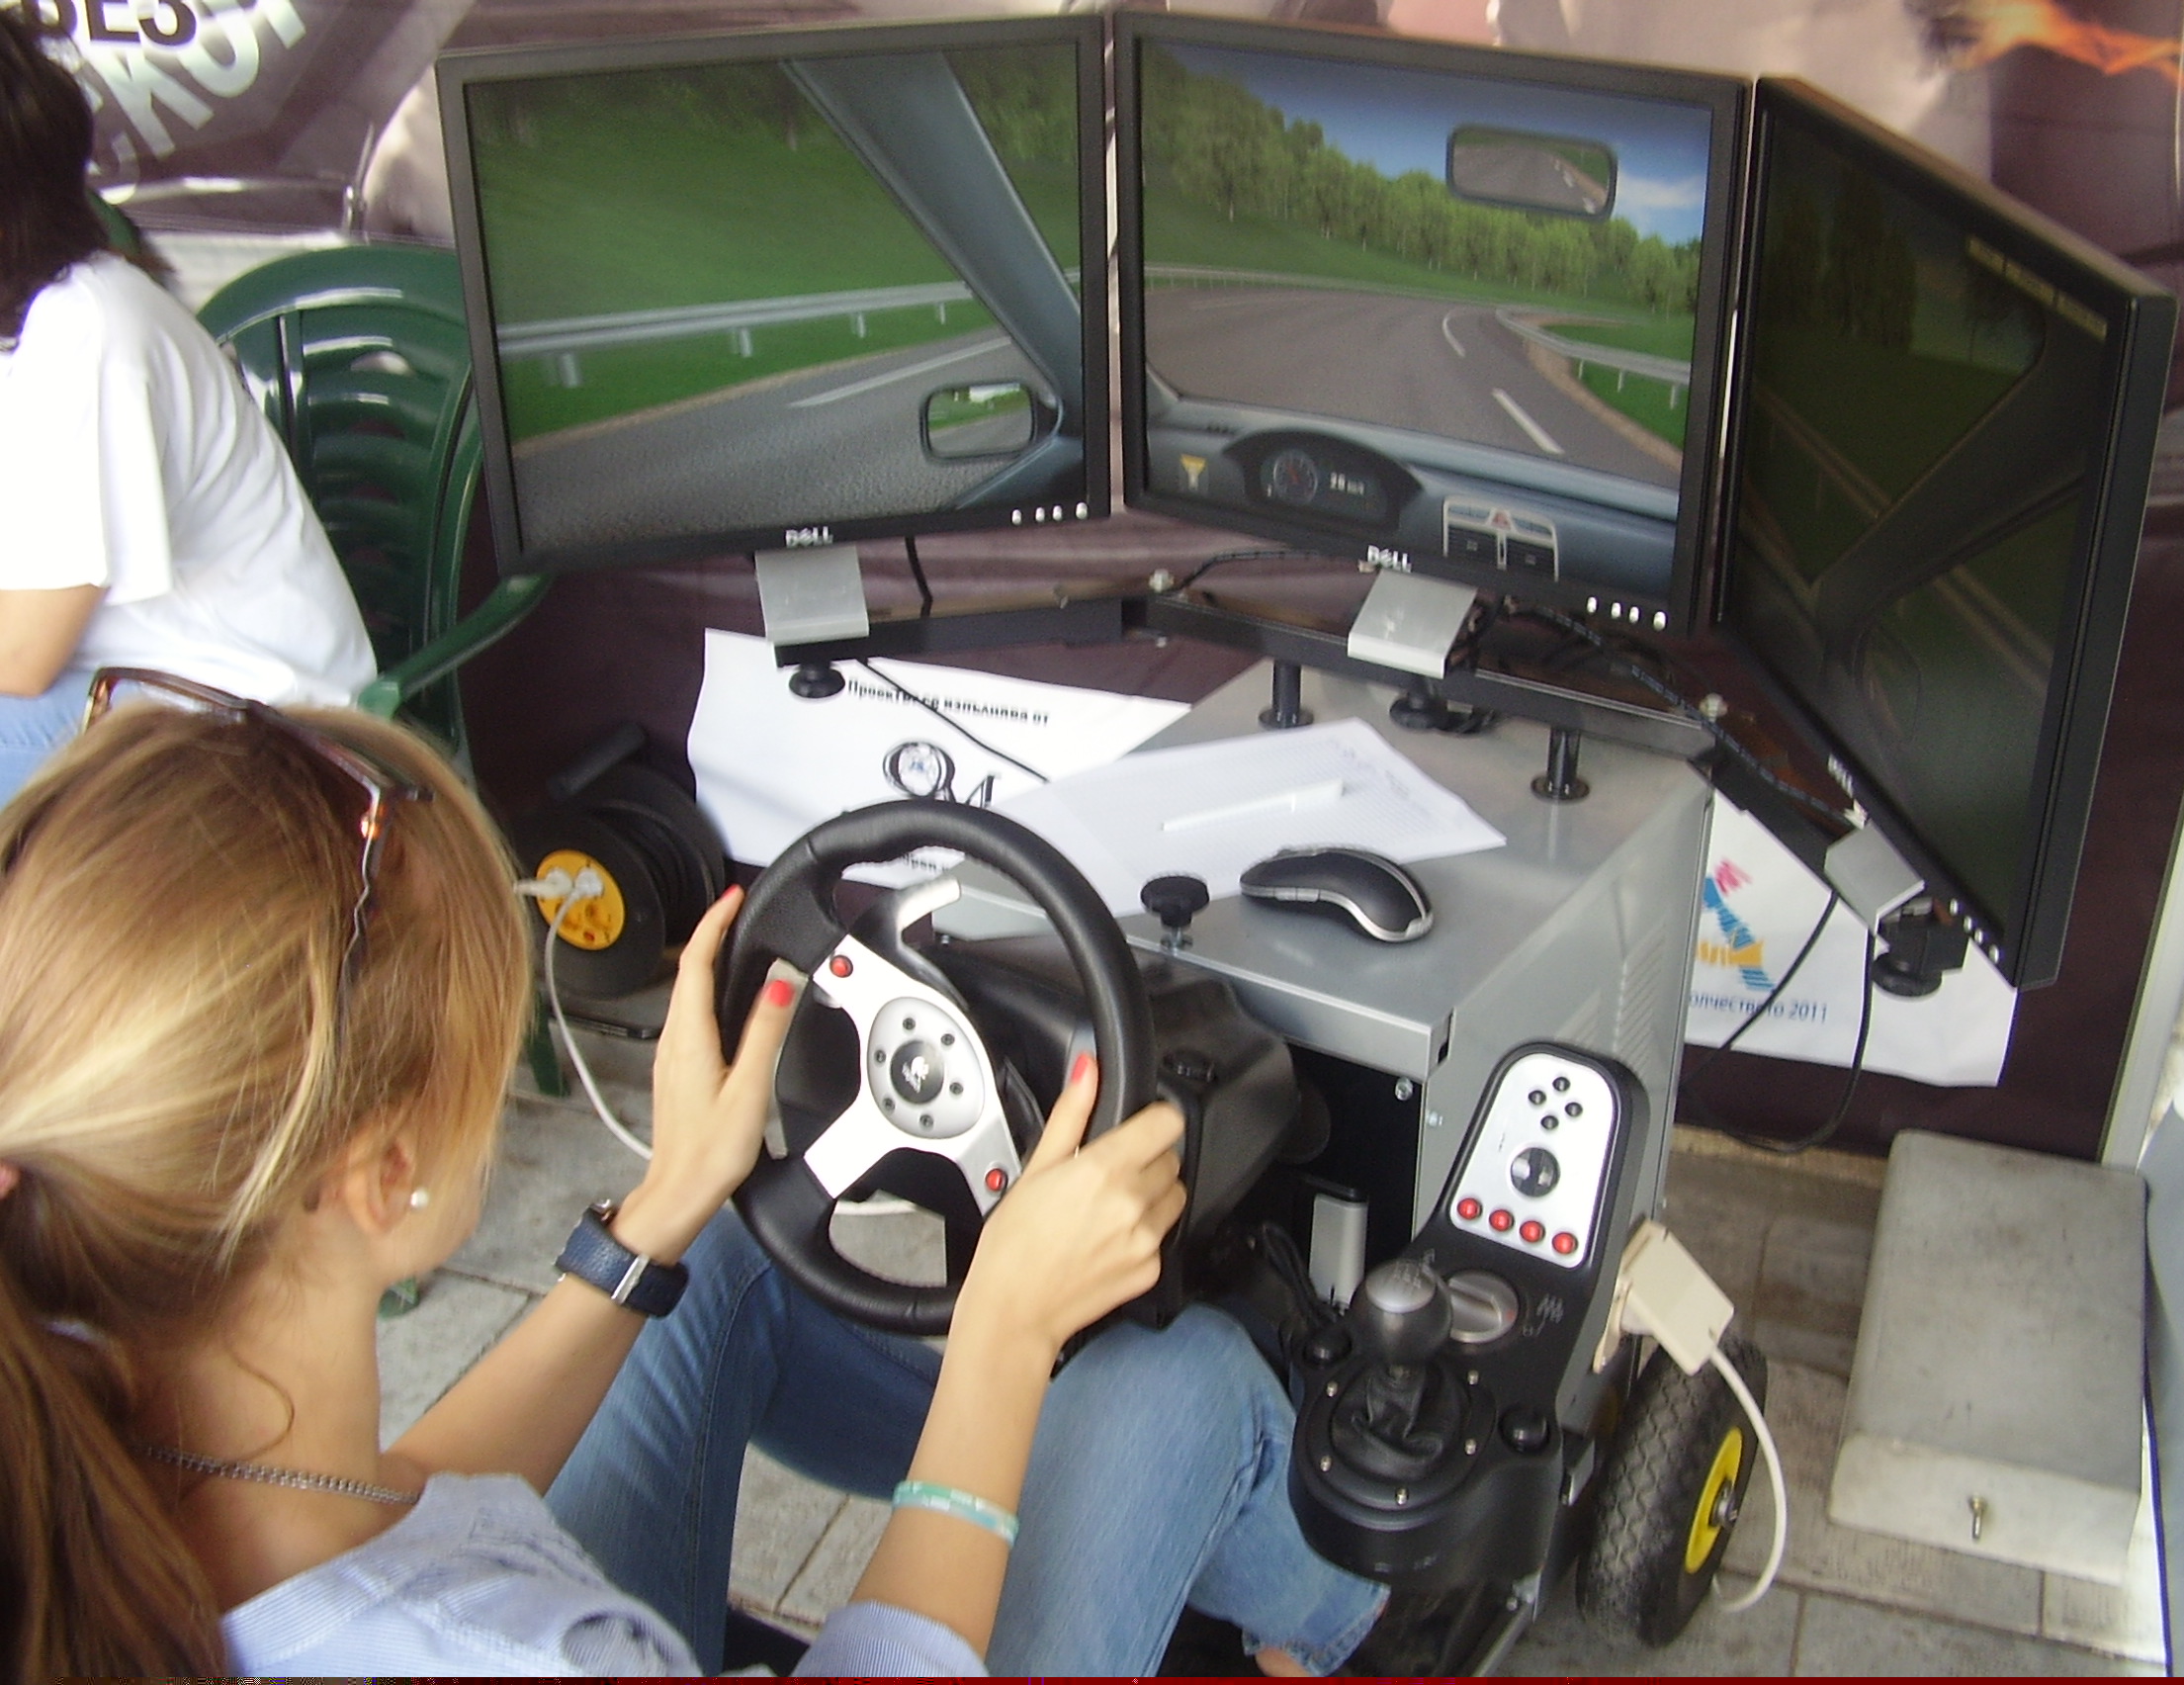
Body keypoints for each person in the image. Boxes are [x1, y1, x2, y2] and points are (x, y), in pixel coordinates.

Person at [0, 676, 1387, 1676]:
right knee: (1177, 1378)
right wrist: (1004, 1340)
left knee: (716, 1257)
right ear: (382, 1175)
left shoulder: (100, 1423)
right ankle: (1361, 1628)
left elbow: (398, 1514)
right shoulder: (529, 1658)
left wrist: (663, 1207)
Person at [0, 12, 376, 806]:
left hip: (252, 721)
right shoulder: (38, 320)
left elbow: (23, 656)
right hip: (133, 689)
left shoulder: (88, 326)